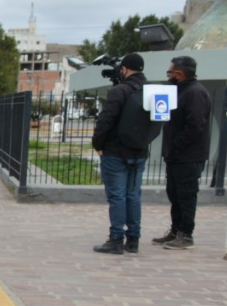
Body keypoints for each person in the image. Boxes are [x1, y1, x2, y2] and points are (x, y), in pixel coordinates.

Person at [91, 52, 157, 255]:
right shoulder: (152, 90)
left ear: (125, 69)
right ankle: (133, 239)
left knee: (117, 196)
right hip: (139, 150)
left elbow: (106, 120)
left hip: (115, 151)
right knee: (133, 195)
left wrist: (98, 144)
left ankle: (116, 239)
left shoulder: (120, 91)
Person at [154, 55, 212, 250]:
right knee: (175, 194)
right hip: (176, 155)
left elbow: (195, 125)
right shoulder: (179, 91)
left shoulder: (194, 92)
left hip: (188, 156)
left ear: (179, 73)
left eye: (170, 71)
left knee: (186, 196)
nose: (168, 75)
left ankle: (186, 234)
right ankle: (176, 230)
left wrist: (177, 144)